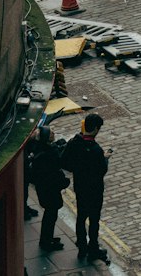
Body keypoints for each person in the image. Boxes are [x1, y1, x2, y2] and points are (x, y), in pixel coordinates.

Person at [61, 114, 111, 266]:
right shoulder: (96, 150)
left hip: (80, 188)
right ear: (95, 128)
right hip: (94, 190)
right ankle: (93, 248)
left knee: (81, 217)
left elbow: (65, 162)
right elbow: (101, 171)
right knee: (94, 220)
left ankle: (82, 246)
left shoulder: (74, 143)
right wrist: (105, 158)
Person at [28, 125, 68, 253]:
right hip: (49, 192)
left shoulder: (41, 150)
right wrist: (64, 182)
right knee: (50, 217)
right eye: (51, 132)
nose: (53, 133)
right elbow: (54, 174)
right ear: (46, 138)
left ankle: (47, 238)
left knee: (50, 216)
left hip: (44, 190)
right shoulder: (49, 155)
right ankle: (46, 242)